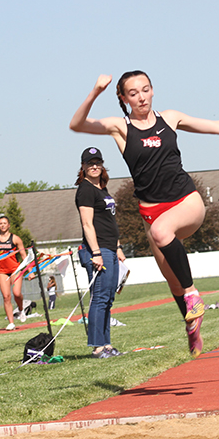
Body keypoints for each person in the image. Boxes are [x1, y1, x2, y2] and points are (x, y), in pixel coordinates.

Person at [69, 71, 219, 357]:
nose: (141, 97)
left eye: (146, 90)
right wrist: (94, 92)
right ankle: (191, 326)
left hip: (186, 201)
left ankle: (194, 295)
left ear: (153, 90)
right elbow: (77, 124)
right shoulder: (121, 127)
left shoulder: (170, 118)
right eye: (133, 93)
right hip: (151, 211)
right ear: (123, 98)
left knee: (162, 236)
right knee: (172, 280)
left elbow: (217, 126)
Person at [75, 147, 127, 358]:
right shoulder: (85, 189)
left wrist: (118, 247)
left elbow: (108, 222)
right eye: (90, 163)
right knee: (99, 298)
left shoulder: (102, 189)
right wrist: (96, 252)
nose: (94, 166)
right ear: (83, 167)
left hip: (110, 249)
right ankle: (98, 347)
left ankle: (106, 345)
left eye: (98, 162)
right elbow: (88, 224)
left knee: (108, 299)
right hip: (97, 251)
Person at [0, 215, 27, 330]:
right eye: (0, 223)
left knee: (16, 293)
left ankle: (21, 309)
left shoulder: (15, 239)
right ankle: (11, 322)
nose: (2, 225)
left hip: (15, 269)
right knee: (6, 296)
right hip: (2, 271)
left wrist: (30, 271)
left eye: (5, 223)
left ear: (8, 225)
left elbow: (23, 255)